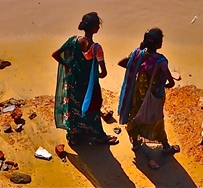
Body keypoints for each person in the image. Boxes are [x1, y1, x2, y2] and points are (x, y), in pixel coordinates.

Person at [52, 12, 118, 145]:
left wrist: (69, 66)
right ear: (95, 29)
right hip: (89, 86)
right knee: (92, 109)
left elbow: (56, 54)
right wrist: (94, 75)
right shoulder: (96, 48)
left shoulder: (73, 41)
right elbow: (103, 73)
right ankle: (99, 136)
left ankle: (75, 136)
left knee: (74, 108)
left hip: (74, 83)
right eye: (98, 25)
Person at [117, 27, 180, 155]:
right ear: (158, 44)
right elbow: (170, 80)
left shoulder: (137, 54)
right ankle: (166, 147)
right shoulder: (160, 60)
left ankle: (135, 143)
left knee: (134, 115)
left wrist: (136, 66)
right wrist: (170, 83)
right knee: (156, 119)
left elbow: (122, 63)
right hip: (153, 95)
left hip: (137, 94)